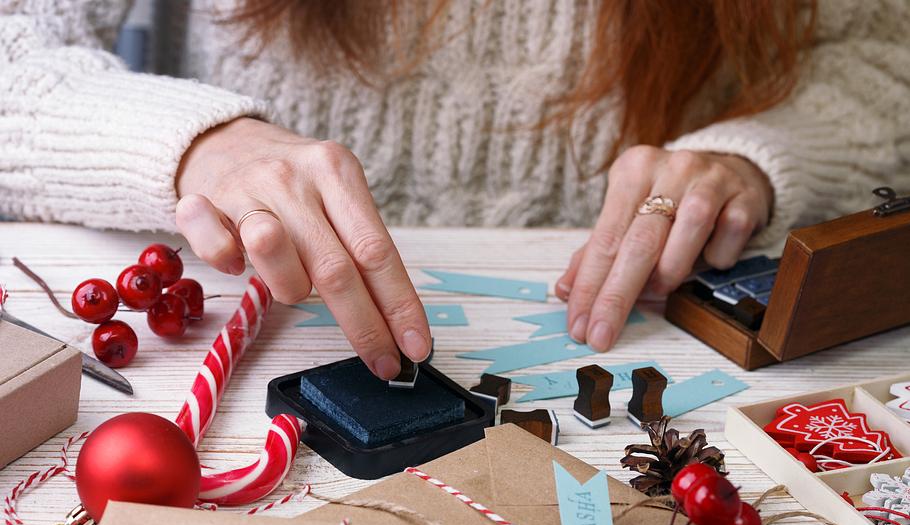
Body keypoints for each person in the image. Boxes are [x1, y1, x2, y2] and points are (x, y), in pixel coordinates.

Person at [2, 1, 908, 380]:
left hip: (657, 333)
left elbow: (882, 57)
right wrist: (197, 143)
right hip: (250, 333)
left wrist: (755, 155)